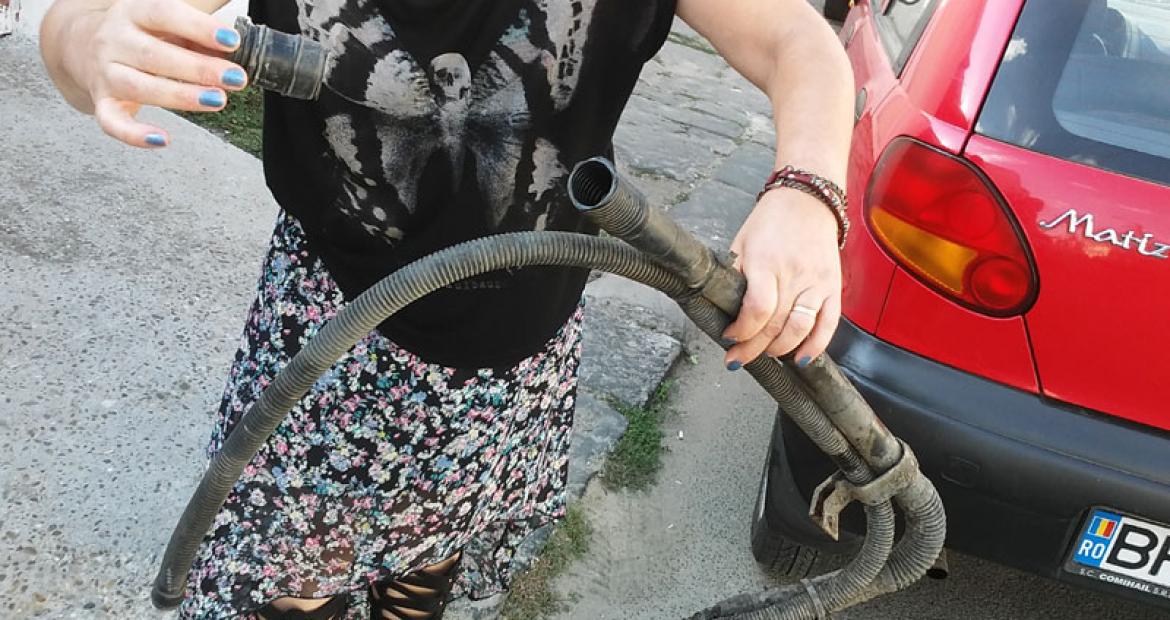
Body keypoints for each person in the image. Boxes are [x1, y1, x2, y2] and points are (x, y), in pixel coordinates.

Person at [39, 0, 854, 617]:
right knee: (294, 583)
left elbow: (796, 38)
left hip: (512, 359)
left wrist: (808, 189)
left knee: (428, 557)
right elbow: (84, 23)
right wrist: (86, 40)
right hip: (330, 335)